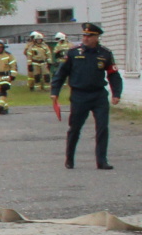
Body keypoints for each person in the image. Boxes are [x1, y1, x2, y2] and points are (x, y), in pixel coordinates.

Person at [52, 22, 123, 170]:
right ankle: (69, 158)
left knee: (102, 128)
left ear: (97, 37)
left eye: (90, 36)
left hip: (99, 95)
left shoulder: (105, 53)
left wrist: (116, 93)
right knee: (75, 128)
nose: (86, 38)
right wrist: (55, 92)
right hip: (79, 95)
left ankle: (102, 161)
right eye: (84, 35)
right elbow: (61, 73)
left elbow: (113, 75)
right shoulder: (73, 53)